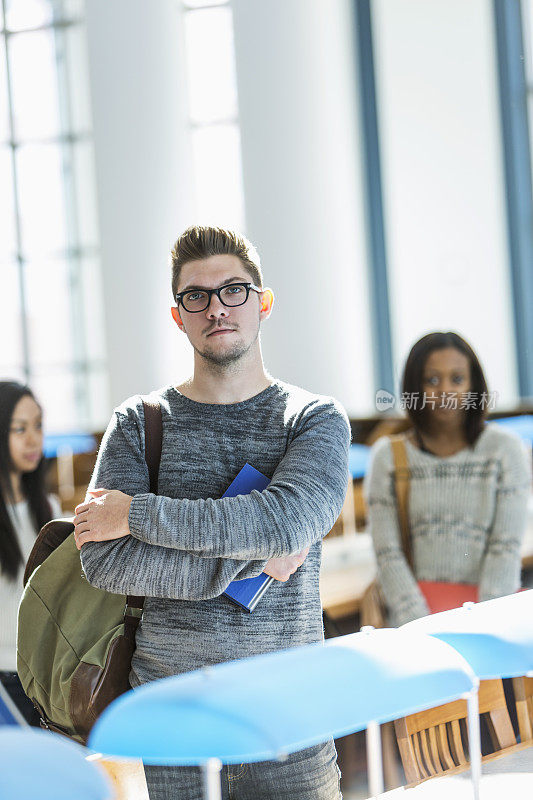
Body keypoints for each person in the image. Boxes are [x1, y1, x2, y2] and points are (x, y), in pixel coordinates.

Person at [73, 226, 351, 800]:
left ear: (263, 303)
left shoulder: (314, 419)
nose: (216, 308)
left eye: (233, 290)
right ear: (178, 316)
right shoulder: (137, 422)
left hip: (290, 719)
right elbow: (104, 562)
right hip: (172, 717)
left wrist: (139, 515)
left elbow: (284, 523)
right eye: (196, 296)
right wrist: (253, 565)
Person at [365, 331, 531, 627]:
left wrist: (483, 625)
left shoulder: (505, 451)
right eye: (431, 380)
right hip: (414, 628)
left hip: (487, 623)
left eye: (457, 379)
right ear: (413, 386)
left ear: (474, 386)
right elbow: (387, 553)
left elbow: (505, 548)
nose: (445, 391)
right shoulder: (388, 457)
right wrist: (421, 628)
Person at [0, 380, 61, 722]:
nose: (33, 439)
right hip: (5, 680)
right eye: (19, 429)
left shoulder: (49, 509)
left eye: (38, 426)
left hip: (45, 681)